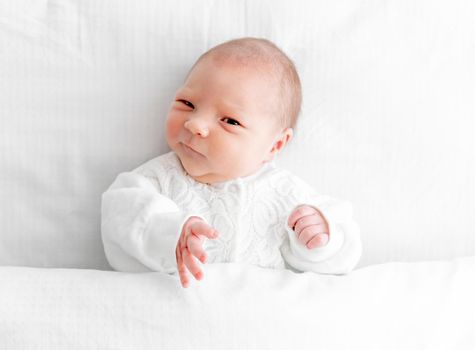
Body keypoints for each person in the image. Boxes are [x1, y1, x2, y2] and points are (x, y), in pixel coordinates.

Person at [101, 37, 362, 288]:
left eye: (230, 121)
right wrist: (171, 233)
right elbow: (120, 214)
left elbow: (344, 257)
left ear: (275, 145)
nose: (195, 124)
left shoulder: (286, 196)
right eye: (187, 103)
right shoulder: (158, 179)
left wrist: (320, 239)